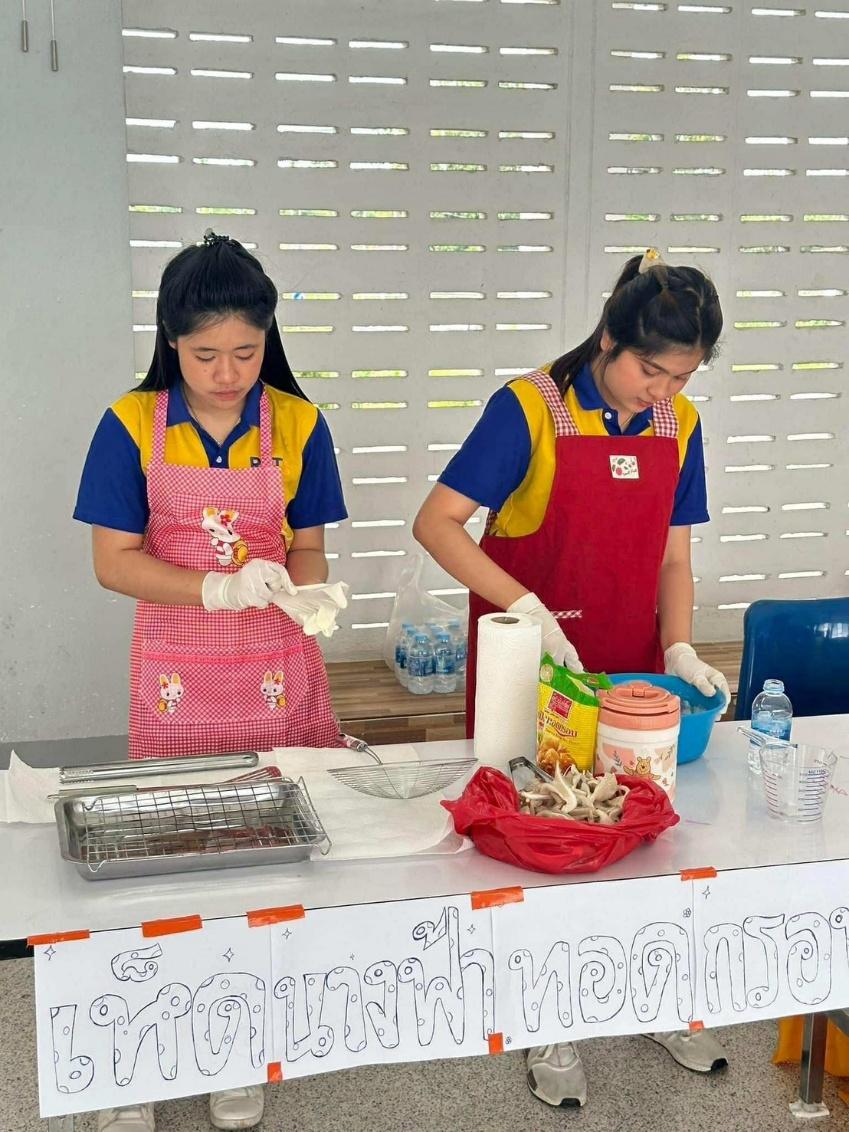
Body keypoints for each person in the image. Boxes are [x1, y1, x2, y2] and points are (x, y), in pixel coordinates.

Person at [413, 249, 731, 1107]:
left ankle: (660, 996)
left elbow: (672, 557)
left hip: (628, 671)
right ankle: (546, 1023)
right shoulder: (528, 410)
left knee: (646, 834)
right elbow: (436, 524)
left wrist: (677, 648)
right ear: (607, 338)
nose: (660, 392)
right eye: (649, 370)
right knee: (547, 846)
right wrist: (527, 606)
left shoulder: (679, 426)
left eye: (682, 376)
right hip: (532, 670)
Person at [74, 231, 349, 1131]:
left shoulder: (300, 424)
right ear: (169, 340)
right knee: (165, 867)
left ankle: (237, 1046)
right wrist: (214, 586)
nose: (227, 373)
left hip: (275, 669)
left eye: (246, 351)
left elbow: (306, 546)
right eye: (205, 355)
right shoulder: (130, 422)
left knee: (264, 871)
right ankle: (137, 1059)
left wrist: (306, 594)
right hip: (177, 677)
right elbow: (113, 563)